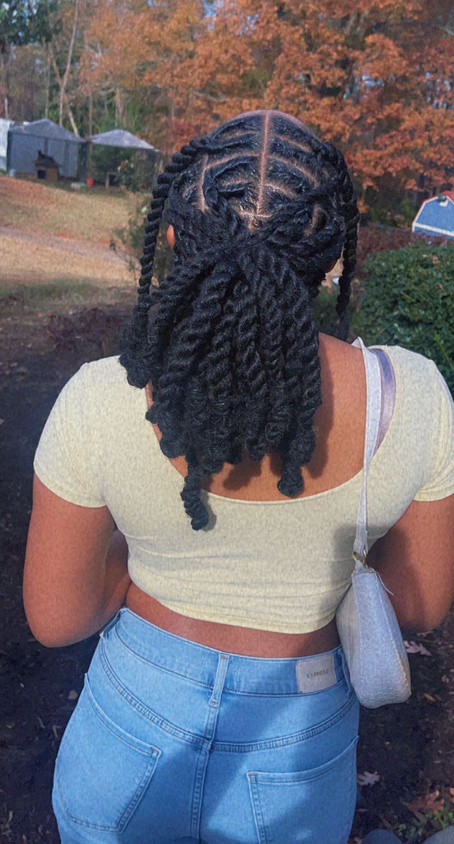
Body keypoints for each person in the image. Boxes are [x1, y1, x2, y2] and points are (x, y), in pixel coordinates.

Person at [23, 110, 454, 844]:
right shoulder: (413, 396)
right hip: (298, 738)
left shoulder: (99, 398)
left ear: (172, 235)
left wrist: (133, 563)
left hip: (128, 730)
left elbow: (58, 616)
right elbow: (417, 605)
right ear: (330, 254)